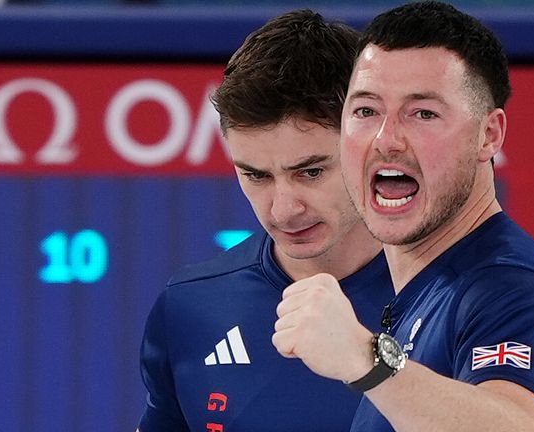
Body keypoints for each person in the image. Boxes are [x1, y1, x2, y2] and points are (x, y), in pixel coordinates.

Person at [272, 2, 534, 431]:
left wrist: (365, 358)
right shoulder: (422, 296)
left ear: (488, 135)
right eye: (366, 111)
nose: (387, 140)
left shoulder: (514, 291)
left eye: (423, 113)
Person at [136, 10, 394, 432]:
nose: (282, 210)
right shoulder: (189, 305)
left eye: (310, 172)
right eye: (256, 176)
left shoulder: (471, 297)